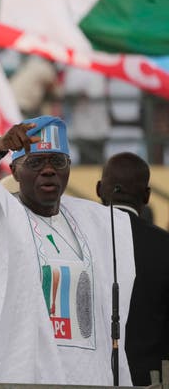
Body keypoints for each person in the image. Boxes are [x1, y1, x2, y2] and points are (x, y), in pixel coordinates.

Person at [0, 116, 135, 385]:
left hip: (87, 375)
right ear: (15, 170)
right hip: (25, 373)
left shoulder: (95, 222)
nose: (48, 170)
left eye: (58, 161)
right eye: (35, 162)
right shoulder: (0, 216)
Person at [97, 152, 169, 386]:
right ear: (147, 196)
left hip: (86, 377)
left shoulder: (77, 240)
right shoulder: (164, 245)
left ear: (99, 189)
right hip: (149, 379)